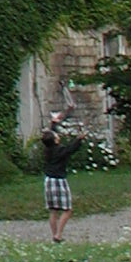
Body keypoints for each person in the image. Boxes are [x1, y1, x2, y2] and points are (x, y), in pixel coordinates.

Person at [40, 103, 82, 241]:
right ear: (55, 140)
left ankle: (54, 235)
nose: (58, 136)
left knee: (53, 210)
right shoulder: (60, 151)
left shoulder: (49, 149)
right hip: (59, 181)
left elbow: (51, 135)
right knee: (67, 209)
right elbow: (72, 149)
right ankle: (59, 234)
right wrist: (79, 139)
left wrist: (54, 123)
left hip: (48, 180)